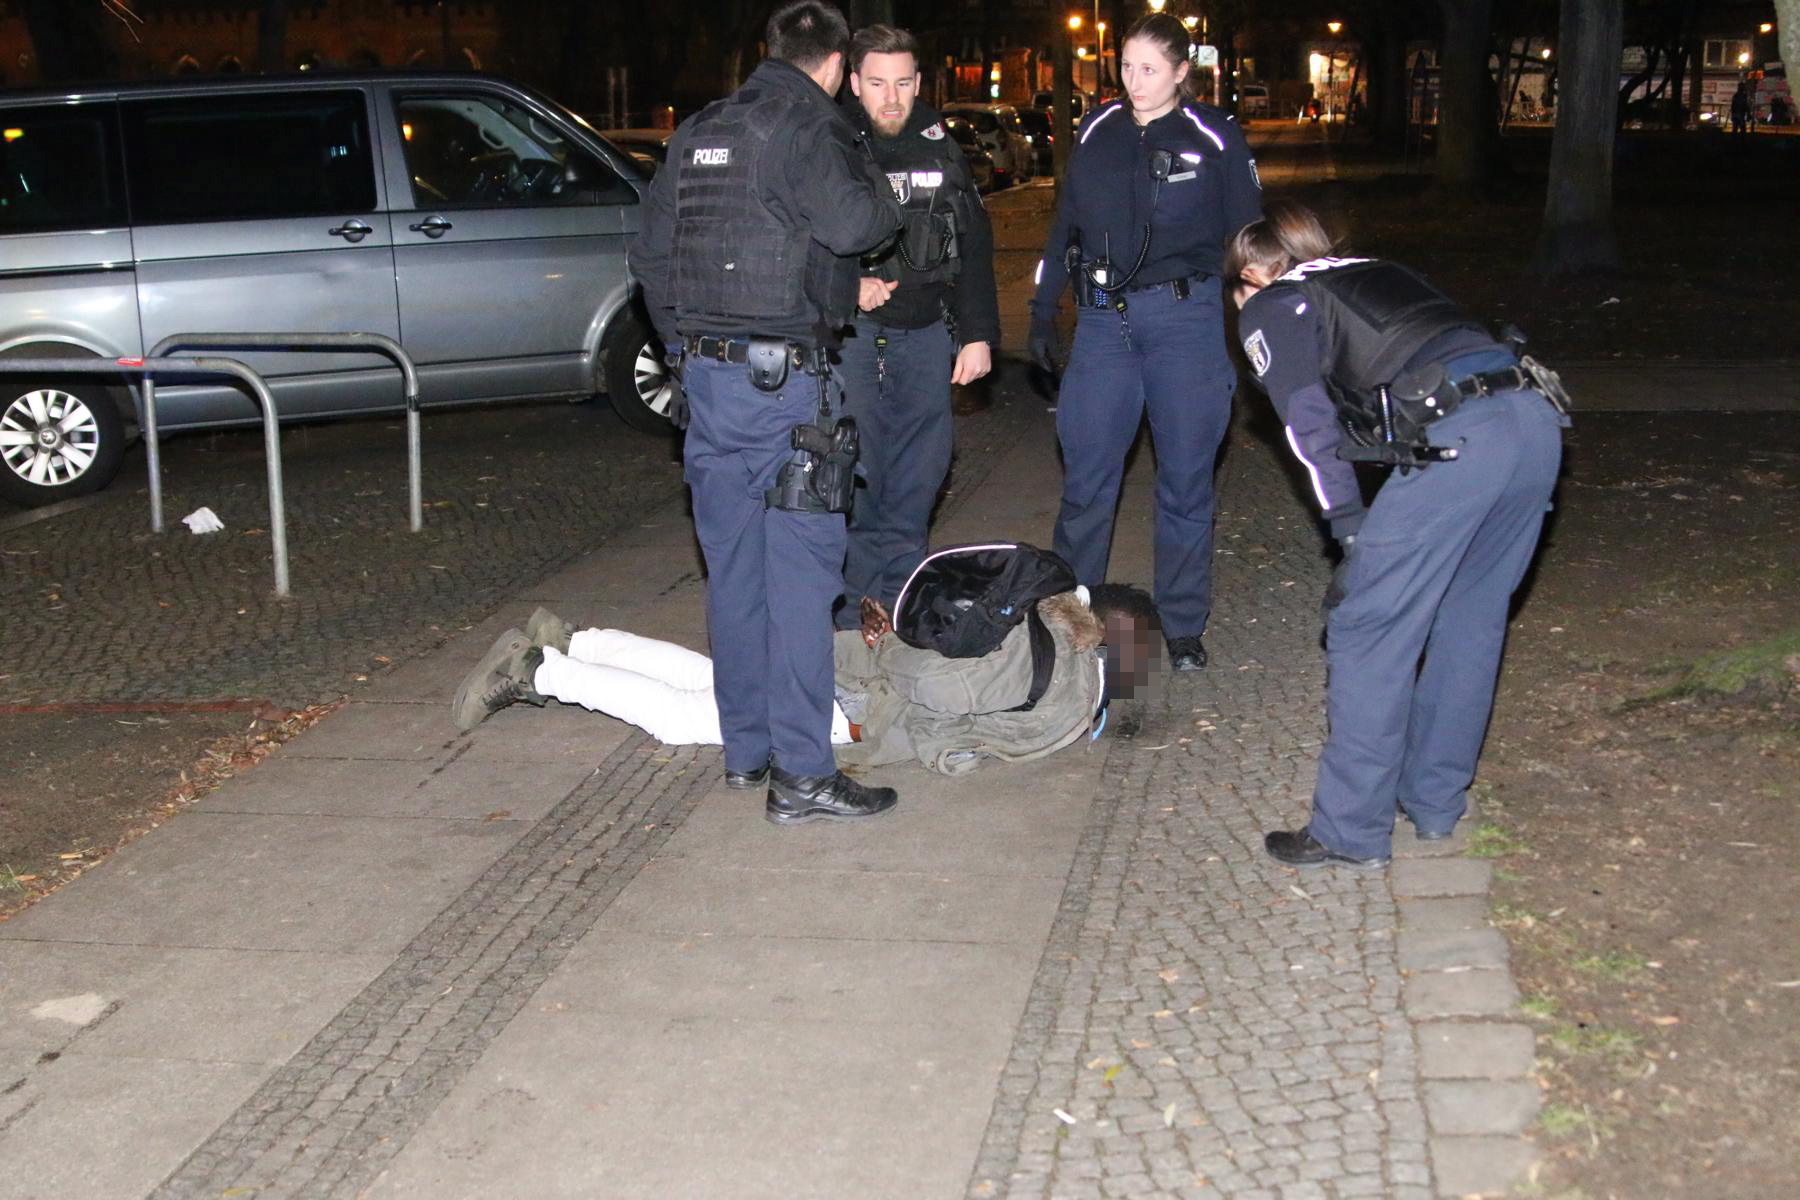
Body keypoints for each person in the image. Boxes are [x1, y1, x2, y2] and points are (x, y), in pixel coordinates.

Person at [1227, 200, 1568, 869]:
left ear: (1253, 277)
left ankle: (1351, 830)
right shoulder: (1376, 273)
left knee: (1365, 629)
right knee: (1469, 618)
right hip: (1535, 422)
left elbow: (1307, 425)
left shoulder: (1273, 305)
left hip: (1464, 442)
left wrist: (1349, 526)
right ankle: (1435, 804)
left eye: (1234, 289)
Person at [629, 0, 903, 826]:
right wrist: (882, 191)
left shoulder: (702, 129)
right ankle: (805, 775)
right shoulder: (805, 128)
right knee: (800, 578)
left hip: (710, 391)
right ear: (832, 65)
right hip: (786, 393)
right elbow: (859, 223)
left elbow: (649, 254)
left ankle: (746, 751)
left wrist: (687, 354)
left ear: (772, 51)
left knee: (734, 573)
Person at [1027, 12, 1263, 674]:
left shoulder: (1215, 136)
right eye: (1125, 66)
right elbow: (1064, 223)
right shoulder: (1098, 129)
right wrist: (1044, 308)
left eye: (1150, 69)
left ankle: (1182, 625)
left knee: (1186, 481)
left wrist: (1264, 317)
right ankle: (1068, 623)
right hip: (1104, 326)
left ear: (1183, 71)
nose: (1134, 81)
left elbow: (1250, 239)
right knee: (1088, 478)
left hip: (1183, 325)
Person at [449, 584, 1159, 789]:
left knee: (718, 682)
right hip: (860, 706)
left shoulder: (1039, 618)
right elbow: (939, 692)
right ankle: (541, 669)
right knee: (689, 720)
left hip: (853, 674)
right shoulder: (1066, 683)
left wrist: (883, 646)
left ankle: (575, 641)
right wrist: (892, 654)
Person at [836, 24, 1000, 628]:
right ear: (854, 82)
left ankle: (901, 611)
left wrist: (979, 332)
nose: (891, 97)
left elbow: (975, 240)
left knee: (918, 476)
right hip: (853, 338)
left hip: (927, 333)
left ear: (919, 81)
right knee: (855, 477)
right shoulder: (831, 141)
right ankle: (853, 620)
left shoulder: (939, 141)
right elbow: (797, 240)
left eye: (903, 83)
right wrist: (843, 285)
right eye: (877, 83)